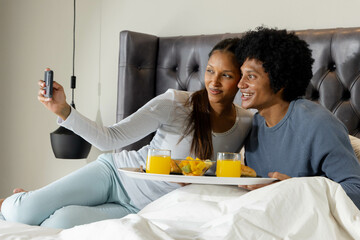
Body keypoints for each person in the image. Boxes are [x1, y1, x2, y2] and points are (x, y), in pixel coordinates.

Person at [0, 38, 253, 228]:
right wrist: (64, 110)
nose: (214, 82)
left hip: (142, 208)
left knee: (59, 225)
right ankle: (20, 201)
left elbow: (231, 172)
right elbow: (110, 138)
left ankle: (36, 201)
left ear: (241, 80)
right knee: (23, 214)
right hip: (114, 176)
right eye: (210, 70)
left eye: (226, 75)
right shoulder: (175, 103)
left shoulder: (245, 123)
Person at [235, 27, 360, 209]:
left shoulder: (318, 124)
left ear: (281, 80)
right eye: (241, 75)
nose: (240, 84)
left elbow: (356, 190)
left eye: (251, 76)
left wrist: (293, 190)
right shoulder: (254, 124)